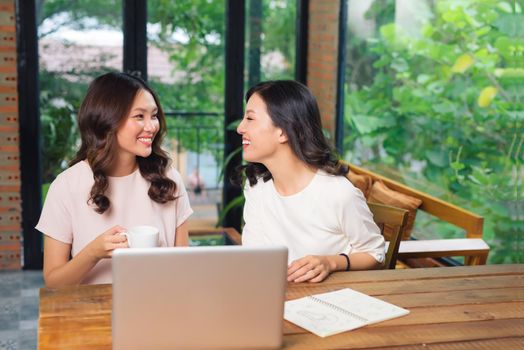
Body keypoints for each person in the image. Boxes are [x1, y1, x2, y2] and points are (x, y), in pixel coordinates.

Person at [36, 72, 193, 287]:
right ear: (107, 120)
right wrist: (93, 253)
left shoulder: (168, 179)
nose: (151, 127)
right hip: (93, 313)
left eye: (154, 115)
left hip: (158, 308)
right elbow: (53, 282)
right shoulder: (66, 186)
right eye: (139, 116)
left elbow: (184, 268)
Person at [235, 80, 385, 283]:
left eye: (250, 119)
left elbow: (375, 254)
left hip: (331, 303)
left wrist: (331, 262)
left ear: (283, 131)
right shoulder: (257, 187)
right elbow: (255, 255)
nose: (240, 128)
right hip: (280, 298)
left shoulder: (338, 193)